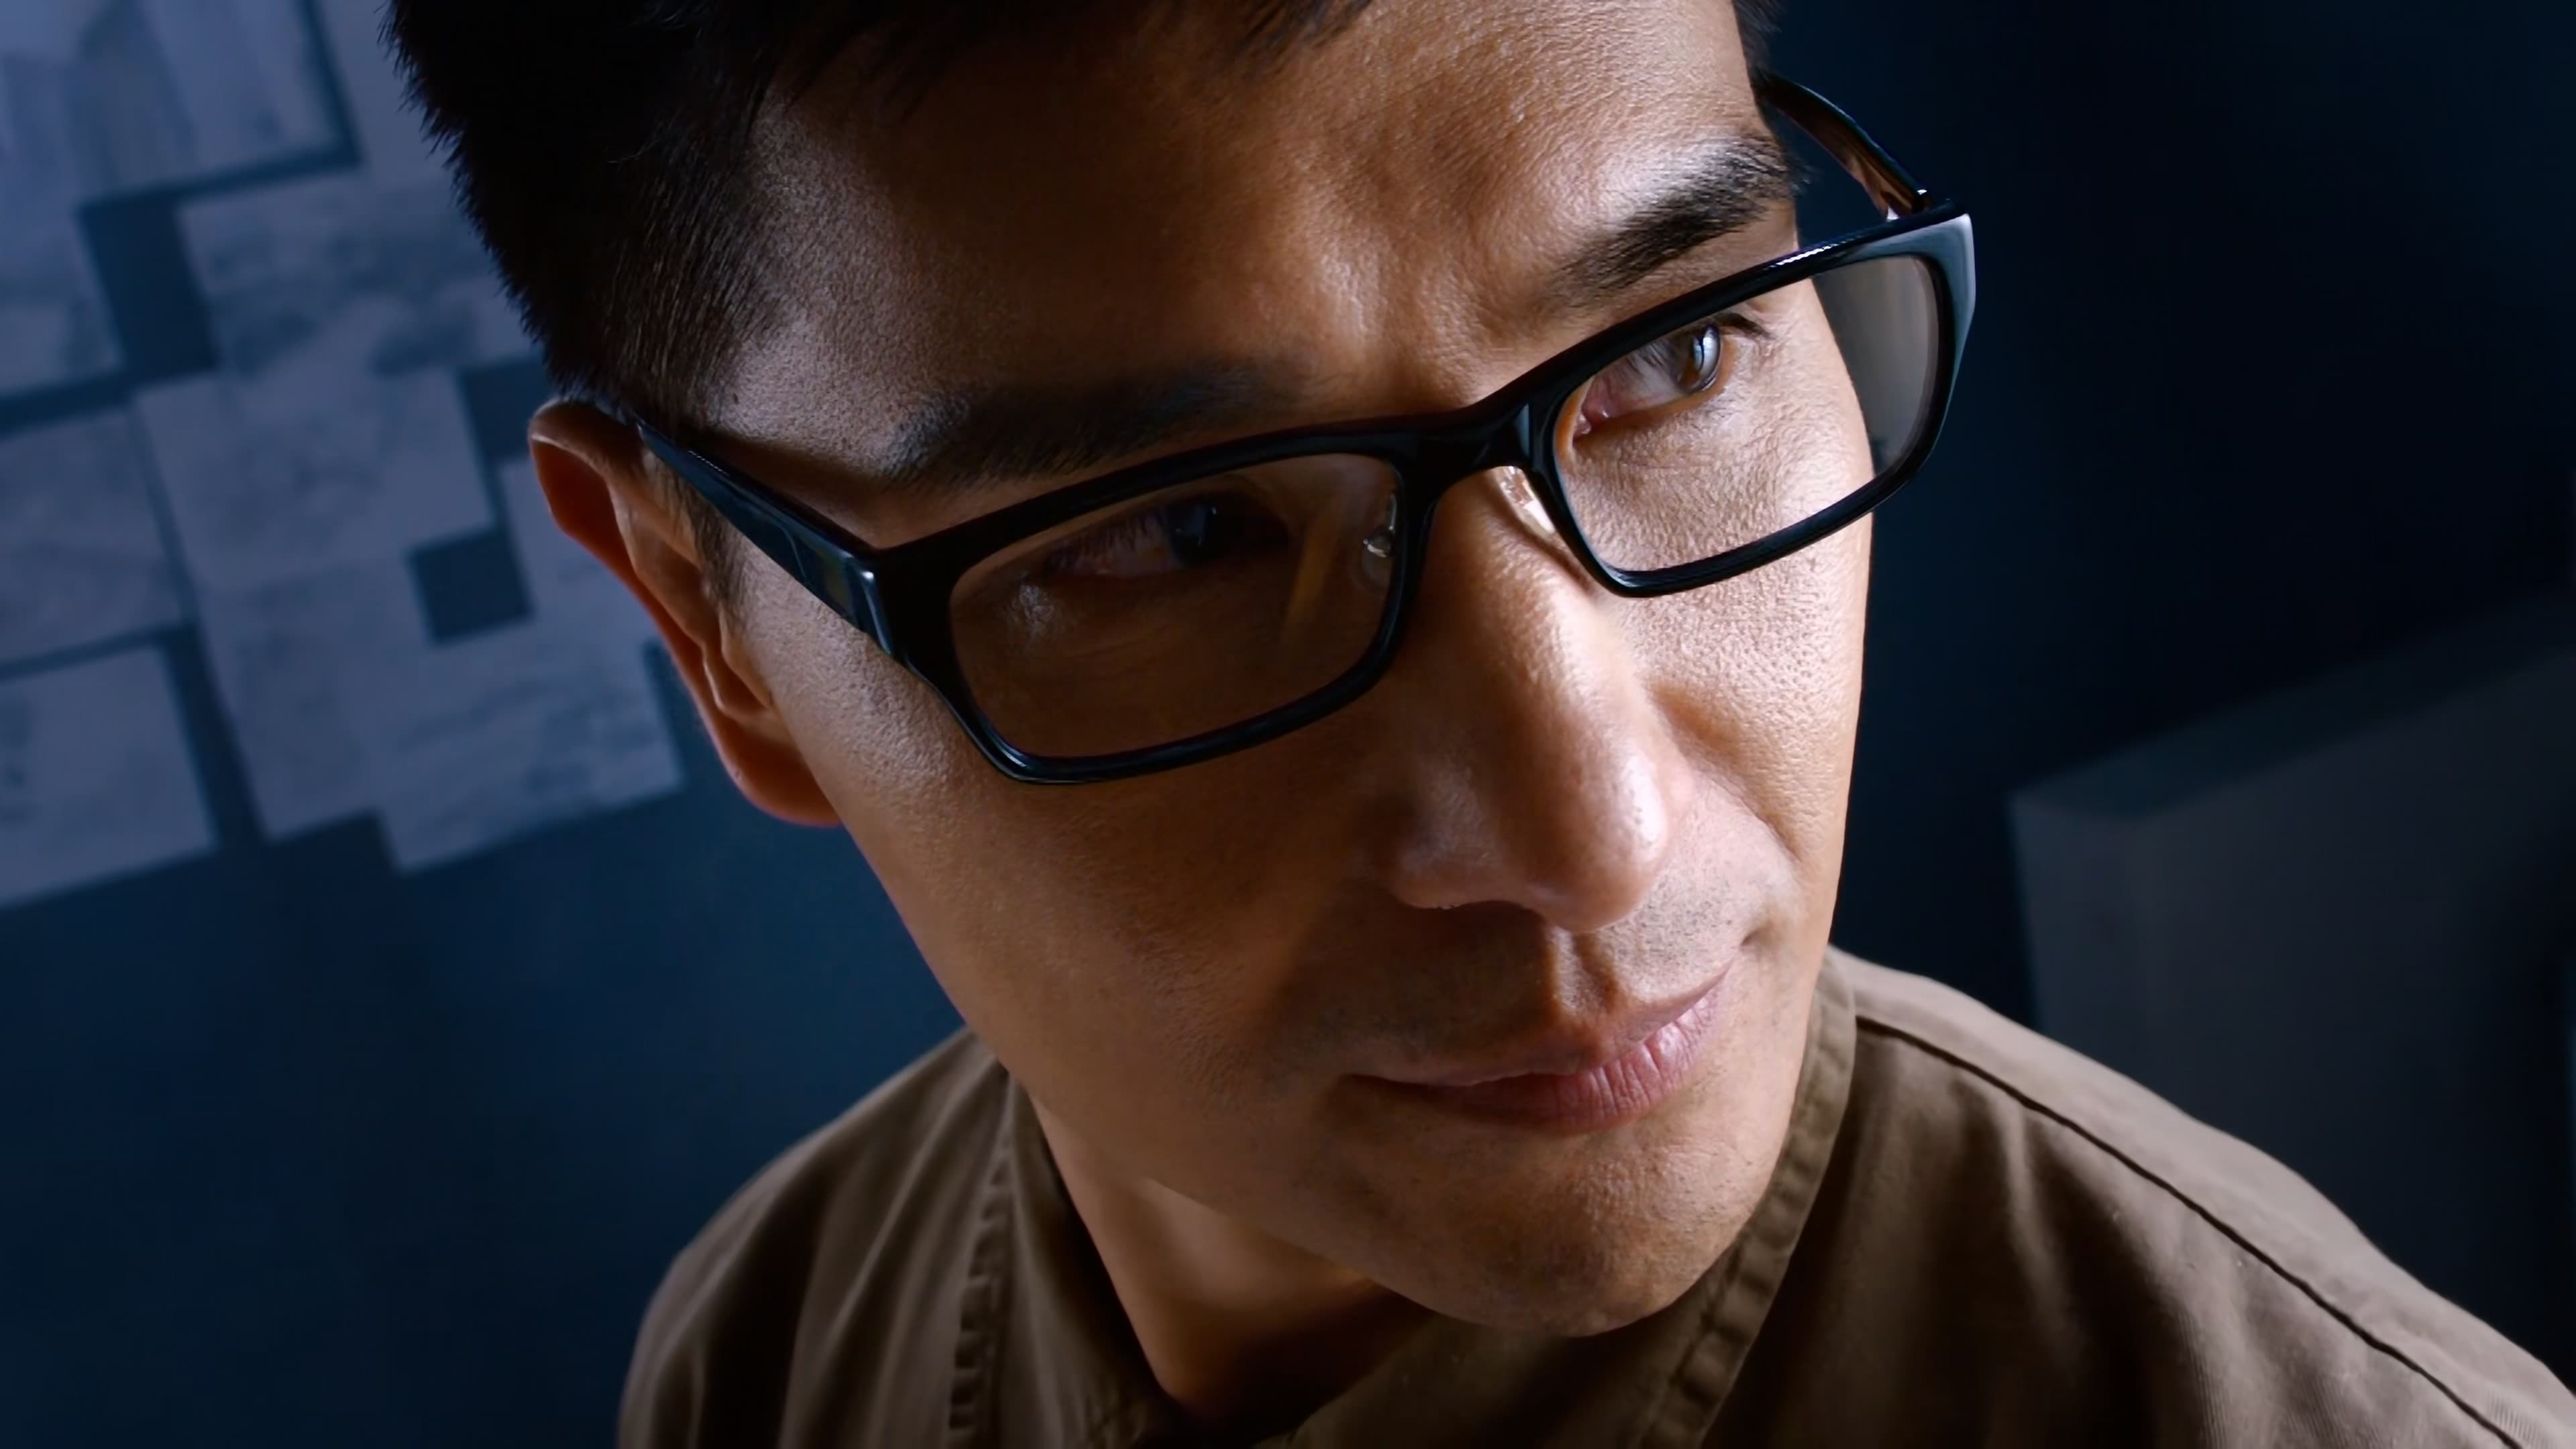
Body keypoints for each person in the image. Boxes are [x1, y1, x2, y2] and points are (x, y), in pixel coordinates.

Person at [386, 1, 2575, 1443]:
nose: (1600, 834)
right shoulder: (774, 1346)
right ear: (714, 626)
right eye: (1179, 539)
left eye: (1680, 357)